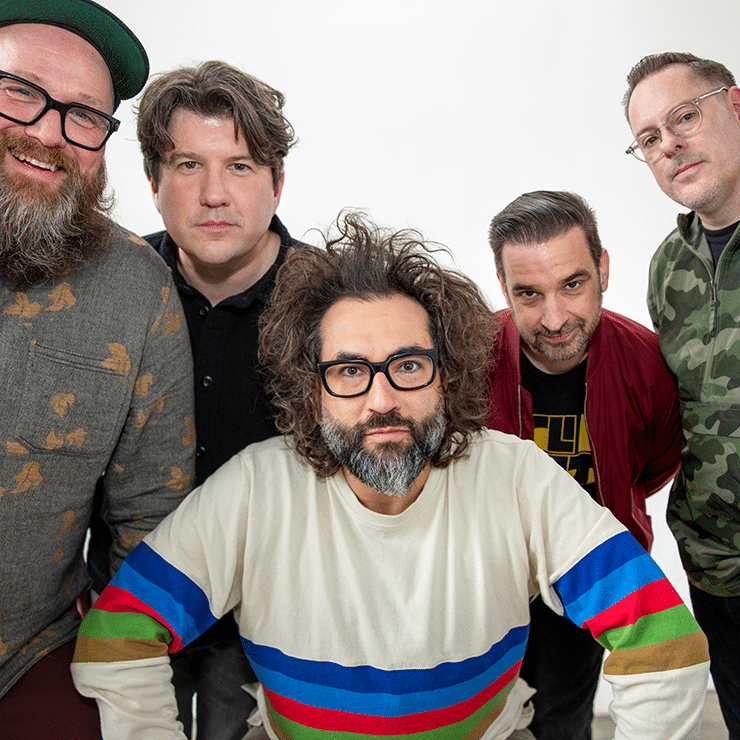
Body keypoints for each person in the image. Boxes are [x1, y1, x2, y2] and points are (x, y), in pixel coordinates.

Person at [70, 212, 709, 740]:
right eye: (349, 371)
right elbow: (119, 636)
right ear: (311, 389)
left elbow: (664, 644)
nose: (382, 401)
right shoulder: (254, 490)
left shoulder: (515, 477)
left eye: (408, 366)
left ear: (446, 375)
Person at [0, 1, 195, 737]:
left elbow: (151, 515)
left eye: (83, 115)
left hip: (30, 654)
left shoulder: (138, 286)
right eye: (18, 93)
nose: (48, 132)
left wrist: (124, 665)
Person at [133, 60, 301, 738]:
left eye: (239, 166)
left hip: (271, 616)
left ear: (277, 184)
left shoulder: (333, 303)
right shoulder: (117, 290)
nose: (213, 195)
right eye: (187, 165)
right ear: (153, 183)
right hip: (136, 603)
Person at [486, 190, 682, 740]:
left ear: (603, 269)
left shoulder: (648, 364)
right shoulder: (467, 361)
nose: (554, 319)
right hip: (488, 584)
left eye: (572, 284)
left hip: (588, 583)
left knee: (564, 724)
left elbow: (654, 466)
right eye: (529, 294)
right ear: (503, 286)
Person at [623, 52, 740, 739]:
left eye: (684, 117)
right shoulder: (669, 267)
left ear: (735, 104)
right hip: (715, 567)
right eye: (648, 138)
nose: (668, 144)